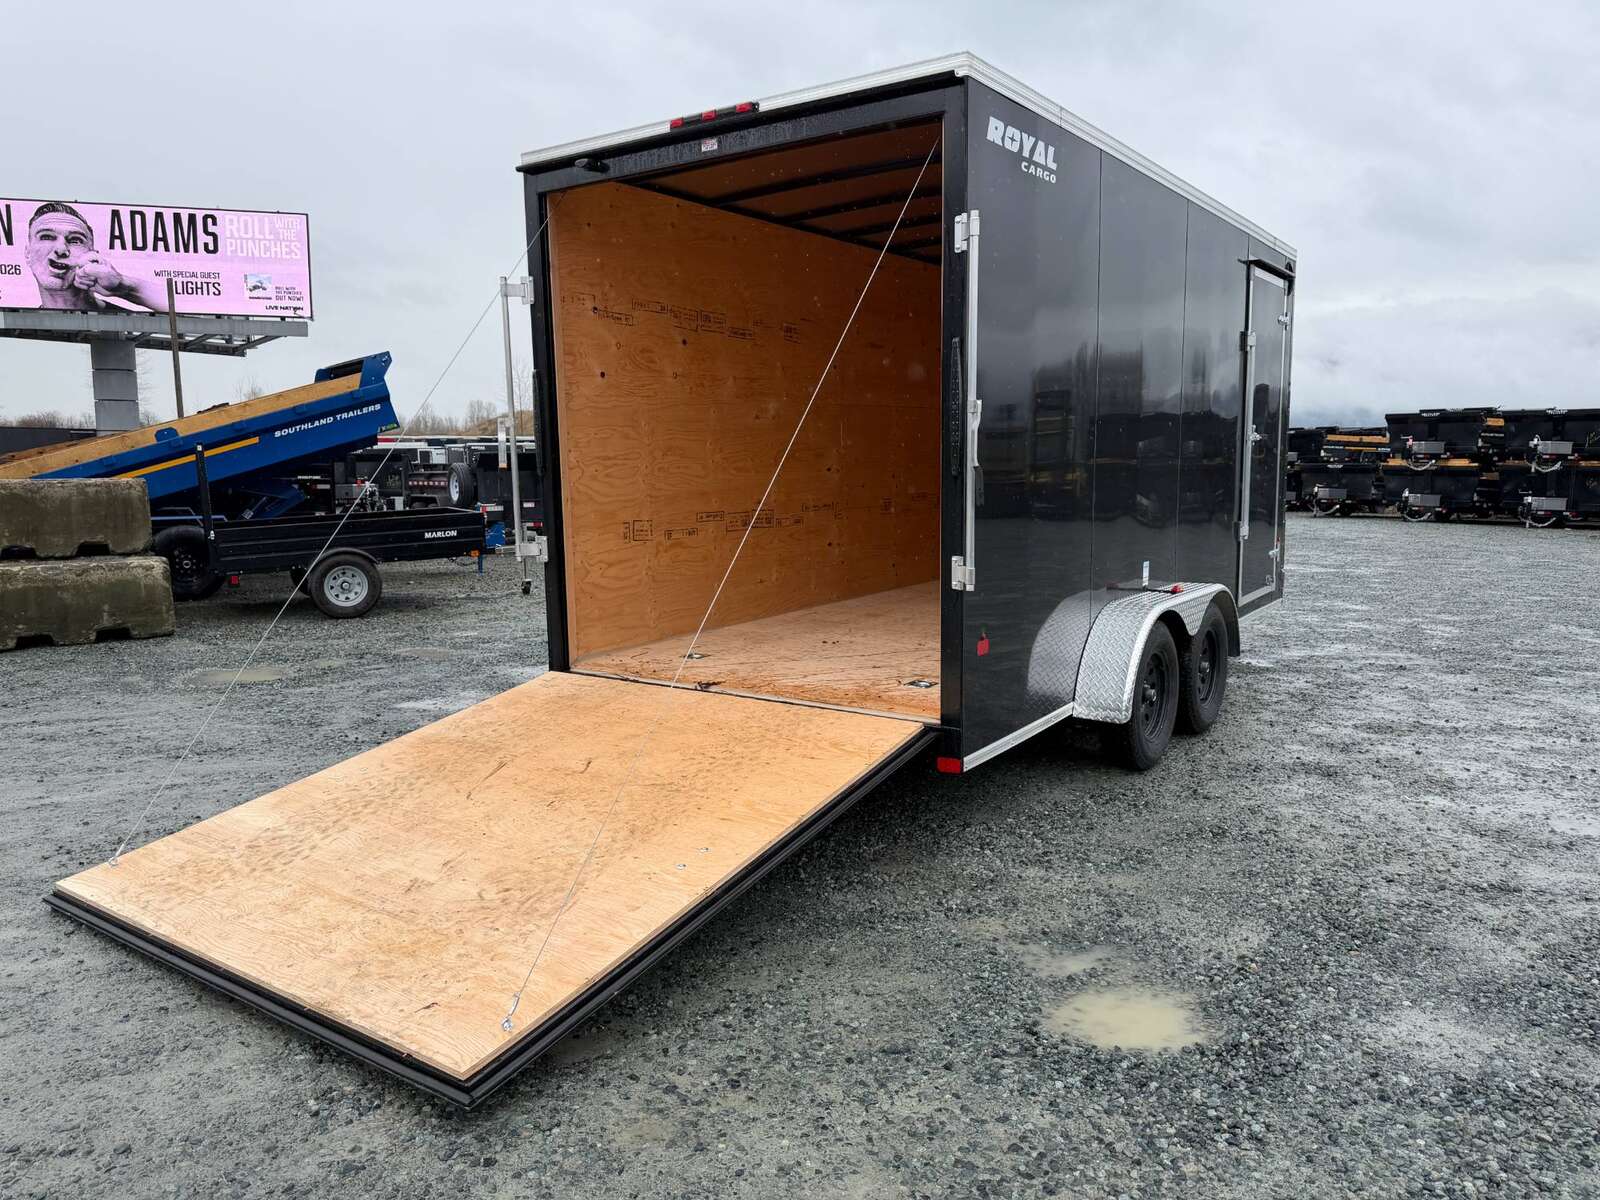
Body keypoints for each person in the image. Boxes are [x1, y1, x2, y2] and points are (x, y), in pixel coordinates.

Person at [25, 202, 169, 312]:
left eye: (75, 240)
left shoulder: (126, 324)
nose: (61, 249)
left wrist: (123, 286)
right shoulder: (21, 327)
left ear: (94, 256)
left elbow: (189, 305)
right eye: (46, 237)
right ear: (27, 254)